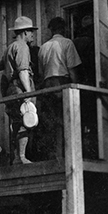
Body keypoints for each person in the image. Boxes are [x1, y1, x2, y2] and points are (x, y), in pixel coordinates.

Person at [38, 16, 82, 160]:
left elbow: (40, 73)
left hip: (47, 85)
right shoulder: (67, 43)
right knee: (67, 118)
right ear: (63, 28)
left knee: (53, 122)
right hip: (62, 82)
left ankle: (56, 156)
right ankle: (68, 155)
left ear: (51, 30)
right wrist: (77, 88)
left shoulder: (43, 47)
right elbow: (72, 69)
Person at [1, 16, 38, 164]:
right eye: (31, 31)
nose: (32, 35)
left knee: (16, 123)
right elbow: (23, 71)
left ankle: (16, 157)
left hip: (11, 88)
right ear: (25, 32)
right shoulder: (22, 47)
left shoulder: (9, 47)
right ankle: (21, 157)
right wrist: (29, 92)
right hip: (20, 88)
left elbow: (1, 69)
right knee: (26, 120)